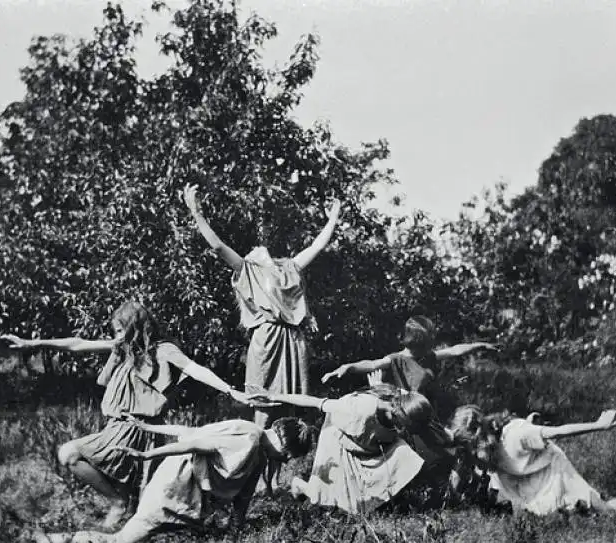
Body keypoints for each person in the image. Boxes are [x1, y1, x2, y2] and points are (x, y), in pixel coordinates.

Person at [1, 301, 250, 529]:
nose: (116, 336)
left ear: (135, 327)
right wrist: (33, 343)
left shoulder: (164, 351)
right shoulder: (123, 348)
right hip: (116, 427)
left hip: (140, 429)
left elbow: (196, 370)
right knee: (115, 481)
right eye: (115, 331)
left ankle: (126, 509)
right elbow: (77, 343)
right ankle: (122, 504)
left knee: (73, 455)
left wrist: (229, 390)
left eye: (120, 330)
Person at [183, 183, 341, 428]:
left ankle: (290, 454)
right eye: (253, 250)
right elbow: (217, 246)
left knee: (295, 403)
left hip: (292, 339)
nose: (258, 249)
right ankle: (257, 449)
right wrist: (197, 213)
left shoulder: (289, 268)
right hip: (267, 339)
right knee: (263, 403)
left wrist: (332, 218)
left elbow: (317, 246)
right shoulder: (249, 269)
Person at [35, 416, 313, 543]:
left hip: (191, 497)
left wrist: (236, 533)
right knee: (121, 542)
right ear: (287, 449)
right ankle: (50, 542)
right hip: (174, 485)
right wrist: (148, 454)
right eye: (288, 457)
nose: (285, 462)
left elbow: (243, 498)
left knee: (177, 542)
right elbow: (191, 442)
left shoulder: (259, 452)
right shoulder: (249, 438)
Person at [249, 385, 456, 514]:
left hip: (371, 445)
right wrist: (272, 396)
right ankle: (299, 485)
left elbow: (430, 427)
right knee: (330, 502)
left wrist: (454, 439)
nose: (404, 431)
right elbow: (314, 402)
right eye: (403, 426)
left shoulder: (406, 403)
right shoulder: (358, 409)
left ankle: (390, 499)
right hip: (341, 440)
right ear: (396, 413)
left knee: (407, 455)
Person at [448, 405, 616, 515]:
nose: (472, 456)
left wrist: (599, 425)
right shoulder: (483, 449)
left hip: (554, 471)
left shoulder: (515, 435)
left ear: (482, 439)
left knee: (605, 512)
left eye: (473, 449)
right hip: (525, 478)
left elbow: (559, 432)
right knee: (553, 516)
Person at [322, 315, 498, 418]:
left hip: (422, 413)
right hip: (399, 414)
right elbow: (371, 364)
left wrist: (480, 345)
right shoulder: (395, 360)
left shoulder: (429, 356)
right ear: (418, 342)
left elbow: (455, 350)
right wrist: (347, 367)